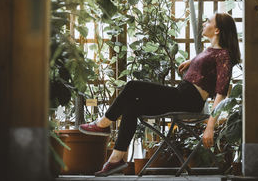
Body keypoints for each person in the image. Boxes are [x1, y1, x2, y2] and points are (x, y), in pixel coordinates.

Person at [79, 12, 241, 176]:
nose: (204, 24)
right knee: (131, 106)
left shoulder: (224, 56)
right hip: (182, 94)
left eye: (208, 22)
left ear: (217, 30)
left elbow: (221, 94)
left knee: (133, 86)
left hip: (188, 100)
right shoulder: (212, 51)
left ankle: (103, 124)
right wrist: (192, 61)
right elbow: (209, 61)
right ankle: (116, 159)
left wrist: (210, 126)